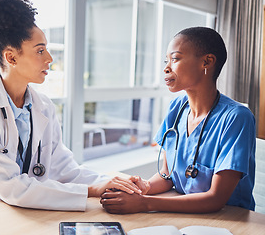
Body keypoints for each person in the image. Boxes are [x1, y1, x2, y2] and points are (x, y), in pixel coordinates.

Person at [0, 0, 141, 215]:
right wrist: (92, 190)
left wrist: (113, 181)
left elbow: (63, 168)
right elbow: (10, 186)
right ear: (11, 58)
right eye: (40, 50)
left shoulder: (42, 105)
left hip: (22, 212)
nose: (49, 58)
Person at [100, 27, 256, 214]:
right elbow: (168, 176)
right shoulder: (177, 108)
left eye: (175, 59)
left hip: (228, 219)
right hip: (183, 212)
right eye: (166, 61)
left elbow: (216, 199)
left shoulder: (237, 118)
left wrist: (144, 203)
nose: (166, 68)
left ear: (207, 61)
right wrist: (143, 187)